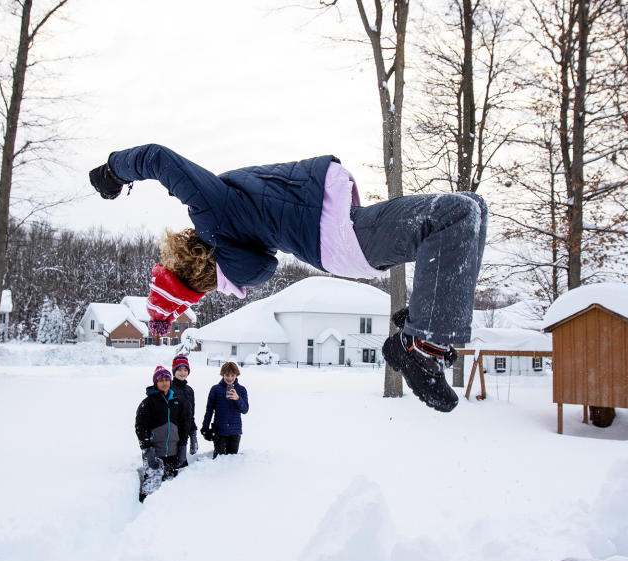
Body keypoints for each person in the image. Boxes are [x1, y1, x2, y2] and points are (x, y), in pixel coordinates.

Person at [89, 144, 487, 412]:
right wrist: (113, 170)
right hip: (339, 235)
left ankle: (424, 320)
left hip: (339, 229)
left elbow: (261, 266)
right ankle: (419, 346)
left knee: (471, 206)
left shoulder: (234, 241)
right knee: (458, 215)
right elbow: (159, 158)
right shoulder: (213, 214)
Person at [135, 365, 189, 502]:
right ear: (155, 382)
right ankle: (144, 511)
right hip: (155, 454)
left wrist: (183, 446)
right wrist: (148, 450)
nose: (164, 383)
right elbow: (140, 428)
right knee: (151, 489)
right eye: (161, 380)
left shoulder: (176, 401)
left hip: (172, 452)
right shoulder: (147, 403)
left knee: (170, 488)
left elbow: (184, 424)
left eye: (167, 379)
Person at [201, 361, 249, 457]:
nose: (230, 378)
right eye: (227, 375)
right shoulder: (215, 389)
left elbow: (245, 410)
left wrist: (237, 398)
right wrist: (205, 427)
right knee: (219, 459)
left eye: (232, 375)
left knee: (232, 460)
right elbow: (209, 410)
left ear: (236, 375)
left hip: (235, 431)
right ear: (223, 374)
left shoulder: (242, 390)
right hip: (220, 431)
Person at [169, 353, 198, 463]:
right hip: (171, 436)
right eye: (179, 369)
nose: (182, 372)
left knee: (181, 465)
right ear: (174, 371)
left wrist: (193, 434)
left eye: (185, 370)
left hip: (184, 436)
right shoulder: (169, 388)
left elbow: (191, 415)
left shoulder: (189, 390)